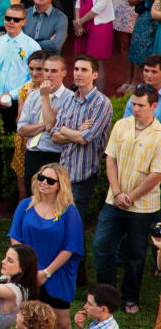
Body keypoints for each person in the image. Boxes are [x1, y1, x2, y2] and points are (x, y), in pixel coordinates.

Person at [8, 162, 84, 329]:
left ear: (60, 185)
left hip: (57, 275)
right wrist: (30, 269)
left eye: (50, 180)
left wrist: (46, 272)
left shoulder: (69, 212)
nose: (43, 183)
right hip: (28, 273)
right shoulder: (25, 206)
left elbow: (71, 247)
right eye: (41, 177)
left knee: (63, 325)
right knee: (28, 323)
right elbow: (15, 238)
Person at [93, 84, 161, 313]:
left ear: (154, 105)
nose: (135, 108)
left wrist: (130, 197)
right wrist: (118, 192)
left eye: (141, 105)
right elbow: (110, 158)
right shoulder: (122, 125)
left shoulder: (160, 135)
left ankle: (130, 297)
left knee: (136, 254)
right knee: (101, 246)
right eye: (133, 104)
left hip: (142, 207)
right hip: (114, 201)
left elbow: (156, 174)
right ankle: (106, 294)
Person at [0, 3, 41, 201]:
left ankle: (15, 190)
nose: (11, 22)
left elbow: (32, 78)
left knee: (15, 148)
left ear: (23, 21)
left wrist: (10, 95)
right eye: (8, 18)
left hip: (18, 104)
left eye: (16, 19)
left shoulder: (32, 46)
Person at [52, 55, 113, 219]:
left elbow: (84, 139)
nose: (78, 73)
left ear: (95, 75)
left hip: (83, 175)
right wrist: (76, 131)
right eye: (76, 69)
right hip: (63, 172)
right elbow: (54, 136)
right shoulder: (69, 100)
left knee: (74, 226)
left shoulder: (101, 103)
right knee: (60, 222)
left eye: (84, 70)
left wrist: (65, 130)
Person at [17, 55, 71, 189]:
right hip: (32, 153)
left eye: (53, 71)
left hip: (54, 155)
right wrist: (46, 125)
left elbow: (56, 131)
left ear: (63, 73)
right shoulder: (33, 96)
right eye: (46, 70)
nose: (48, 75)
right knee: (31, 196)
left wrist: (45, 96)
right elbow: (21, 129)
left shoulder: (70, 98)